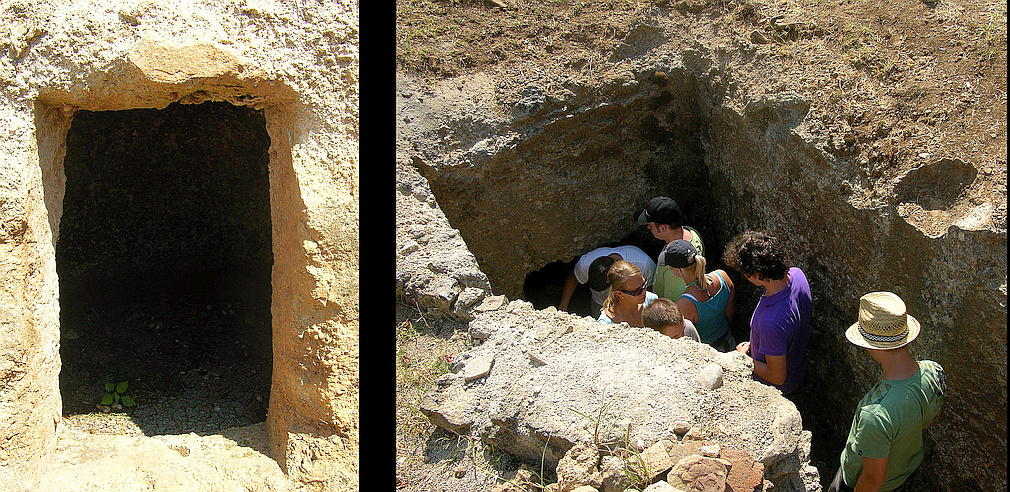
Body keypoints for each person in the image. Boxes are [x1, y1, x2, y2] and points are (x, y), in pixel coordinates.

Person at [827, 291, 945, 492]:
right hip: (906, 470)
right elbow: (928, 421)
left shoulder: (875, 413)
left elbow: (872, 480)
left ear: (872, 346)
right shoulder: (935, 371)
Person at [723, 230, 812, 395]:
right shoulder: (797, 275)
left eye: (744, 273)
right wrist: (756, 344)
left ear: (757, 274)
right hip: (797, 366)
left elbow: (777, 377)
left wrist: (744, 359)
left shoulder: (770, 321)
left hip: (775, 389)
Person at [659, 239, 735, 351]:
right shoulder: (722, 276)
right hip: (729, 342)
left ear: (678, 270)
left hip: (710, 353)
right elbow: (730, 312)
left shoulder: (683, 304)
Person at [635, 196, 705, 302]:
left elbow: (674, 301)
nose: (648, 228)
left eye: (650, 226)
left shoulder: (676, 269)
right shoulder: (691, 232)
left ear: (663, 228)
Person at [559, 245, 656, 318]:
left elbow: (649, 288)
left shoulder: (643, 264)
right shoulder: (585, 265)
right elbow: (574, 277)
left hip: (632, 304)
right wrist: (562, 308)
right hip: (599, 303)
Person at [597, 260, 658, 326]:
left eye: (644, 284)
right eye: (637, 291)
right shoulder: (606, 325)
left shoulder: (652, 301)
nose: (644, 292)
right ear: (619, 293)